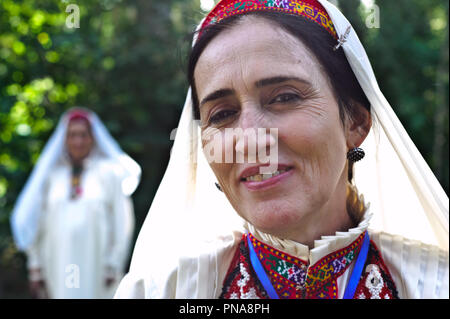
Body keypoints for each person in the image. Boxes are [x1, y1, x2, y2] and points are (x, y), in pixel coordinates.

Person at [114, 0, 448, 299]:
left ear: (356, 123)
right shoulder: (161, 291)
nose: (250, 139)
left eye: (285, 97)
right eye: (223, 114)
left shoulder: (435, 285)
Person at [11, 108, 141, 299]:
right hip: (57, 263)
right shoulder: (52, 176)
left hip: (97, 265)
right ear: (65, 139)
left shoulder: (109, 172)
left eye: (83, 135)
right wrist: (35, 264)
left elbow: (122, 221)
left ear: (92, 138)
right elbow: (38, 220)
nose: (78, 141)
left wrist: (114, 263)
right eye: (72, 135)